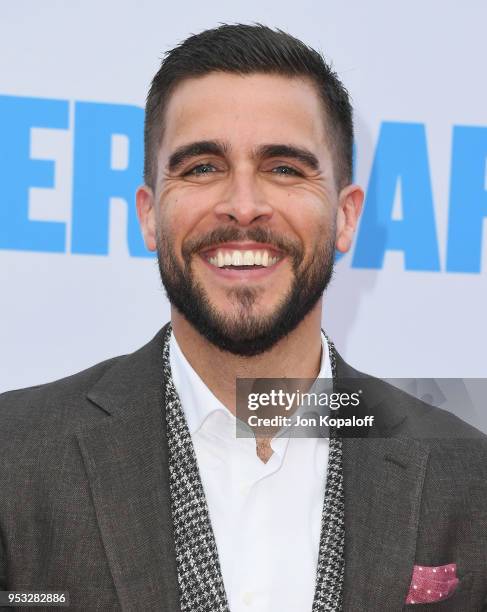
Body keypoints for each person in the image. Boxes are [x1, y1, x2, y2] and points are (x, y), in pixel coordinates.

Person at [0, 23, 486, 612]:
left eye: (284, 168)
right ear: (150, 215)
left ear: (347, 216)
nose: (245, 206)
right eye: (202, 167)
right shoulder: (14, 457)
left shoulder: (468, 474)